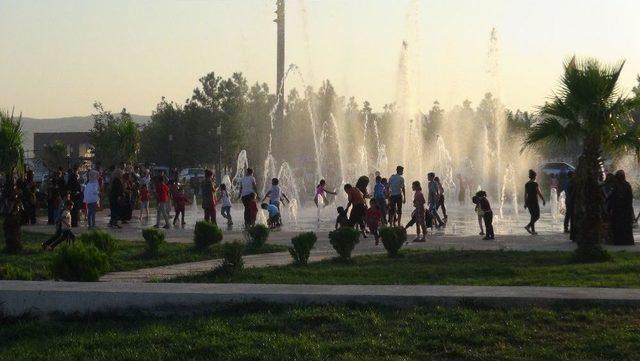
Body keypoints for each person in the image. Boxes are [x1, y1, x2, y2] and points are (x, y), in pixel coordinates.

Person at [609, 170, 634, 245]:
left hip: (621, 210)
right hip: (622, 210)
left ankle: (621, 241)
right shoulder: (625, 185)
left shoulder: (618, 185)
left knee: (620, 226)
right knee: (622, 226)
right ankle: (624, 241)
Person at [524, 169, 545, 235]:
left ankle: (533, 231)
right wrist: (543, 199)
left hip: (528, 201)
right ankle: (528, 226)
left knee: (533, 216)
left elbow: (525, 194)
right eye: (536, 176)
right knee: (537, 216)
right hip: (534, 202)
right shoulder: (535, 184)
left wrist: (525, 203)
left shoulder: (526, 184)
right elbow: (539, 193)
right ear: (534, 176)